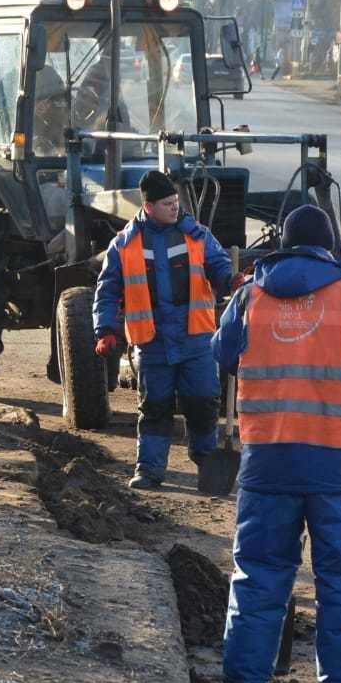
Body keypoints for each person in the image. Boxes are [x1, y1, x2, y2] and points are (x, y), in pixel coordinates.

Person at [214, 205, 341, 683]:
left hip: (269, 455)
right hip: (339, 459)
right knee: (340, 574)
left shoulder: (249, 295)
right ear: (330, 245)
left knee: (259, 569)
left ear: (285, 244)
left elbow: (222, 352)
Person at [94, 170, 235, 489]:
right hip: (152, 341)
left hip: (195, 338)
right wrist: (104, 330)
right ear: (148, 205)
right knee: (155, 406)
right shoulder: (124, 245)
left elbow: (220, 267)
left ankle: (207, 467)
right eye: (168, 203)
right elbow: (107, 290)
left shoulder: (197, 235)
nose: (175, 207)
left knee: (202, 402)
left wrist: (231, 280)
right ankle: (149, 471)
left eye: (176, 201)